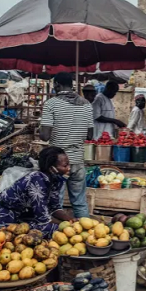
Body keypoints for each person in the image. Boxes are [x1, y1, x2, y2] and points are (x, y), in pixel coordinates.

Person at [0, 147, 74, 237]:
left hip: (22, 215)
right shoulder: (37, 180)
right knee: (54, 230)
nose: (69, 168)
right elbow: (43, 218)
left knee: (60, 229)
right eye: (65, 165)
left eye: (69, 164)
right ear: (52, 168)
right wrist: (65, 226)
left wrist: (70, 220)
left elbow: (54, 207)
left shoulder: (56, 180)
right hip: (4, 217)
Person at [39, 72, 93, 218]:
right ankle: (85, 231)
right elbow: (90, 135)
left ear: (57, 84)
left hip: (58, 163)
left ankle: (57, 235)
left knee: (56, 204)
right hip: (78, 160)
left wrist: (39, 129)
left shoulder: (51, 104)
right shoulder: (86, 104)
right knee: (80, 202)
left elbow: (45, 136)